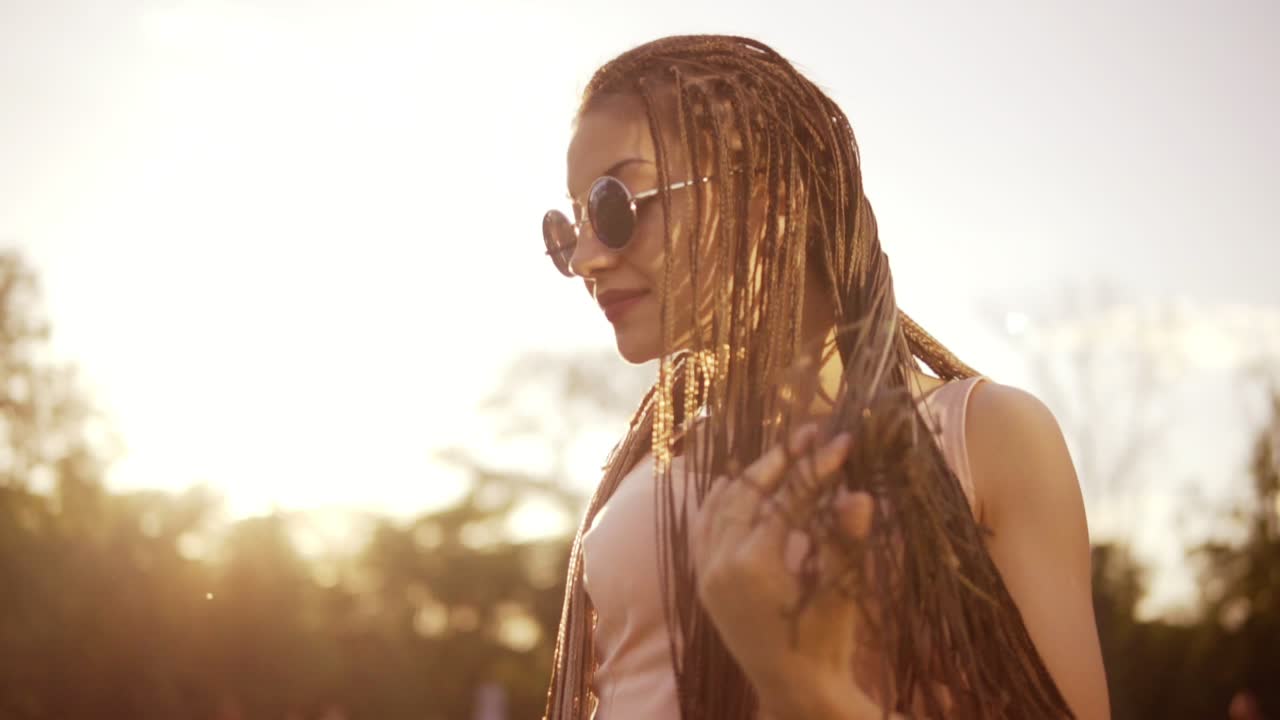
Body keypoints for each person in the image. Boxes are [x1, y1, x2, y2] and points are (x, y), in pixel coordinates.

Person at [540, 35, 1109, 719]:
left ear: (767, 196)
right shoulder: (636, 476)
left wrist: (805, 686)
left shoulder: (982, 439)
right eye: (569, 227)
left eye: (612, 207)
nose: (584, 261)